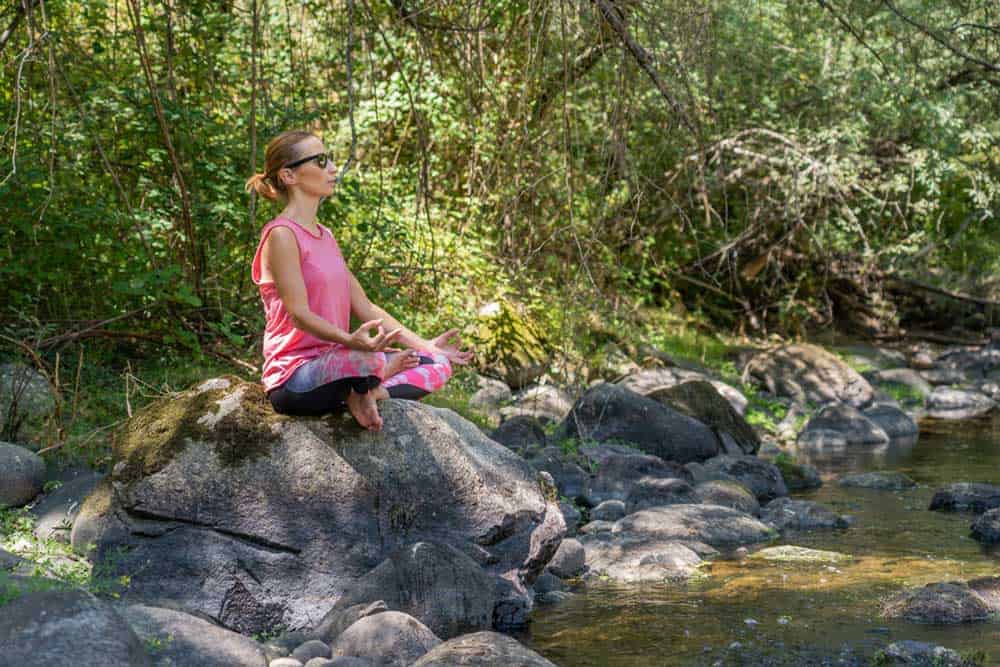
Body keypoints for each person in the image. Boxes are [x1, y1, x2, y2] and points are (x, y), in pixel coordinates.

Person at [245, 130, 472, 431]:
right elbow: (299, 314)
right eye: (321, 161)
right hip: (296, 378)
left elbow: (366, 307)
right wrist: (351, 342)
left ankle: (370, 392)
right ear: (289, 175)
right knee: (364, 360)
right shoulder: (281, 236)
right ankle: (365, 381)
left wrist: (428, 345)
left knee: (436, 364)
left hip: (342, 363)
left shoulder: (325, 236)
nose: (332, 168)